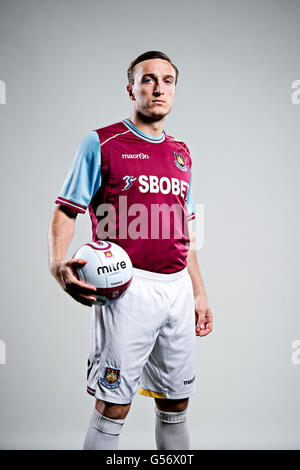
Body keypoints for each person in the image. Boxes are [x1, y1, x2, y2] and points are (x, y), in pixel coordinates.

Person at [48, 50, 213, 450]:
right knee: (114, 404)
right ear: (131, 88)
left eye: (168, 80)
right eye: (148, 79)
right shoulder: (102, 142)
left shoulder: (182, 153)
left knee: (177, 401)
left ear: (175, 89)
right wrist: (57, 264)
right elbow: (66, 209)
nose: (159, 88)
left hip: (175, 288)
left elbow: (184, 228)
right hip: (126, 288)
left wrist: (198, 290)